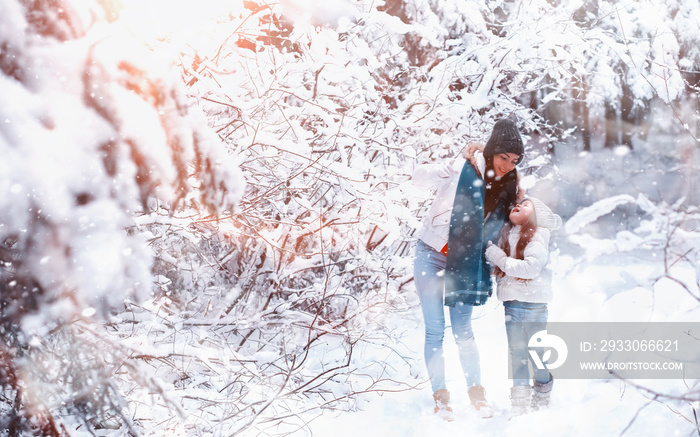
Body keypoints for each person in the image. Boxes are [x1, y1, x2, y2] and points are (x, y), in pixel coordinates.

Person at [412, 119, 524, 419]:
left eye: (514, 161)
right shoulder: (461, 169)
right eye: (503, 158)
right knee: (435, 330)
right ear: (491, 152)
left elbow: (525, 221)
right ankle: (441, 396)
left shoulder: (508, 188)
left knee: (463, 330)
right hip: (431, 254)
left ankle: (477, 393)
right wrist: (450, 165)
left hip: (466, 263)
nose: (507, 165)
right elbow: (417, 177)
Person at [484, 196, 562, 418]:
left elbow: (529, 269)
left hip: (534, 305)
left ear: (536, 214)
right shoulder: (507, 235)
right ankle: (519, 403)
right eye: (518, 204)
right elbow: (503, 268)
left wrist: (498, 257)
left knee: (536, 353)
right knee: (517, 354)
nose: (518, 205)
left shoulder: (537, 235)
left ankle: (543, 393)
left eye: (526, 204)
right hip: (511, 304)